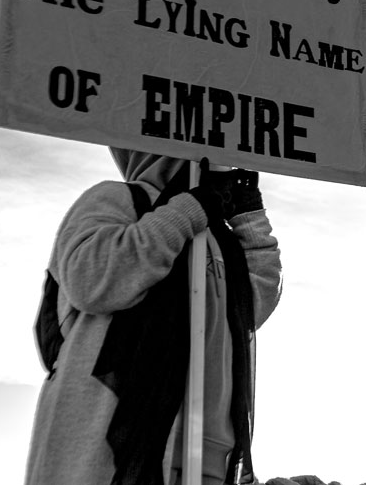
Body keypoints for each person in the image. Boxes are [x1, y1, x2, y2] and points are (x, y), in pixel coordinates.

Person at [25, 149, 283, 485]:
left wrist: (249, 217)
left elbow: (248, 309)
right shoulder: (116, 198)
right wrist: (187, 210)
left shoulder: (216, 232)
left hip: (211, 454)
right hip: (110, 453)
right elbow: (95, 281)